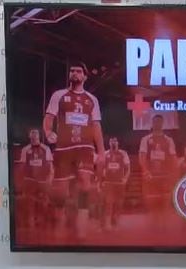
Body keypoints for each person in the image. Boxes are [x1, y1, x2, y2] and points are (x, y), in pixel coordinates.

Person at [42, 61, 105, 232]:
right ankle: (60, 219)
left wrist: (101, 151)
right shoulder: (59, 95)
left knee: (85, 183)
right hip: (63, 147)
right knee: (61, 191)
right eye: (72, 71)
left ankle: (82, 223)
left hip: (85, 147)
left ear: (85, 76)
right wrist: (48, 133)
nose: (74, 73)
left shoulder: (92, 100)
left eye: (78, 71)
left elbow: (96, 126)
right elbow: (49, 118)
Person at [138, 114, 176, 215]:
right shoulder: (145, 139)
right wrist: (145, 171)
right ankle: (152, 224)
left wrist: (172, 173)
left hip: (164, 175)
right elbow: (142, 157)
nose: (157, 124)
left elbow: (173, 157)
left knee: (165, 200)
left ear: (162, 123)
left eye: (159, 122)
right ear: (152, 123)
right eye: (155, 122)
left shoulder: (169, 140)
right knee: (151, 202)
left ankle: (164, 225)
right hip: (151, 175)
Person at [18, 128, 53, 228]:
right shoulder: (25, 150)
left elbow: (50, 165)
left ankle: (43, 221)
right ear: (29, 136)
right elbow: (22, 166)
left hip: (43, 180)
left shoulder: (46, 149)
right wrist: (22, 180)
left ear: (38, 136)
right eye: (32, 134)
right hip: (30, 180)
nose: (34, 136)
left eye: (36, 134)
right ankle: (31, 222)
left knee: (44, 202)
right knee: (29, 202)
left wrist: (50, 179)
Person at [100, 135, 131, 229]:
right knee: (108, 203)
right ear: (109, 143)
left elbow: (128, 168)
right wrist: (102, 180)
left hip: (119, 182)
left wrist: (125, 178)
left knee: (119, 203)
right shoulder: (105, 154)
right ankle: (107, 223)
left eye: (115, 141)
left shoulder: (123, 154)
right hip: (109, 182)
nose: (113, 143)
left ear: (118, 143)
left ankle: (115, 219)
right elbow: (101, 168)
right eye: (111, 141)